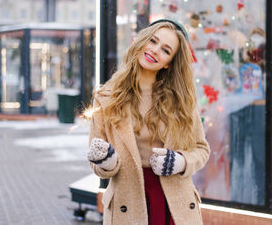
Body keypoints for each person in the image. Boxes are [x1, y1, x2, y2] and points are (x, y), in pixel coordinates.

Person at [86, 19, 210, 225]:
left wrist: (181, 162)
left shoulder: (181, 101)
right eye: (153, 41)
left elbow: (201, 149)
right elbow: (96, 160)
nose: (154, 50)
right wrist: (107, 162)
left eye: (165, 50)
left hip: (174, 204)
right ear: (142, 41)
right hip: (127, 201)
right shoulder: (106, 97)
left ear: (168, 62)